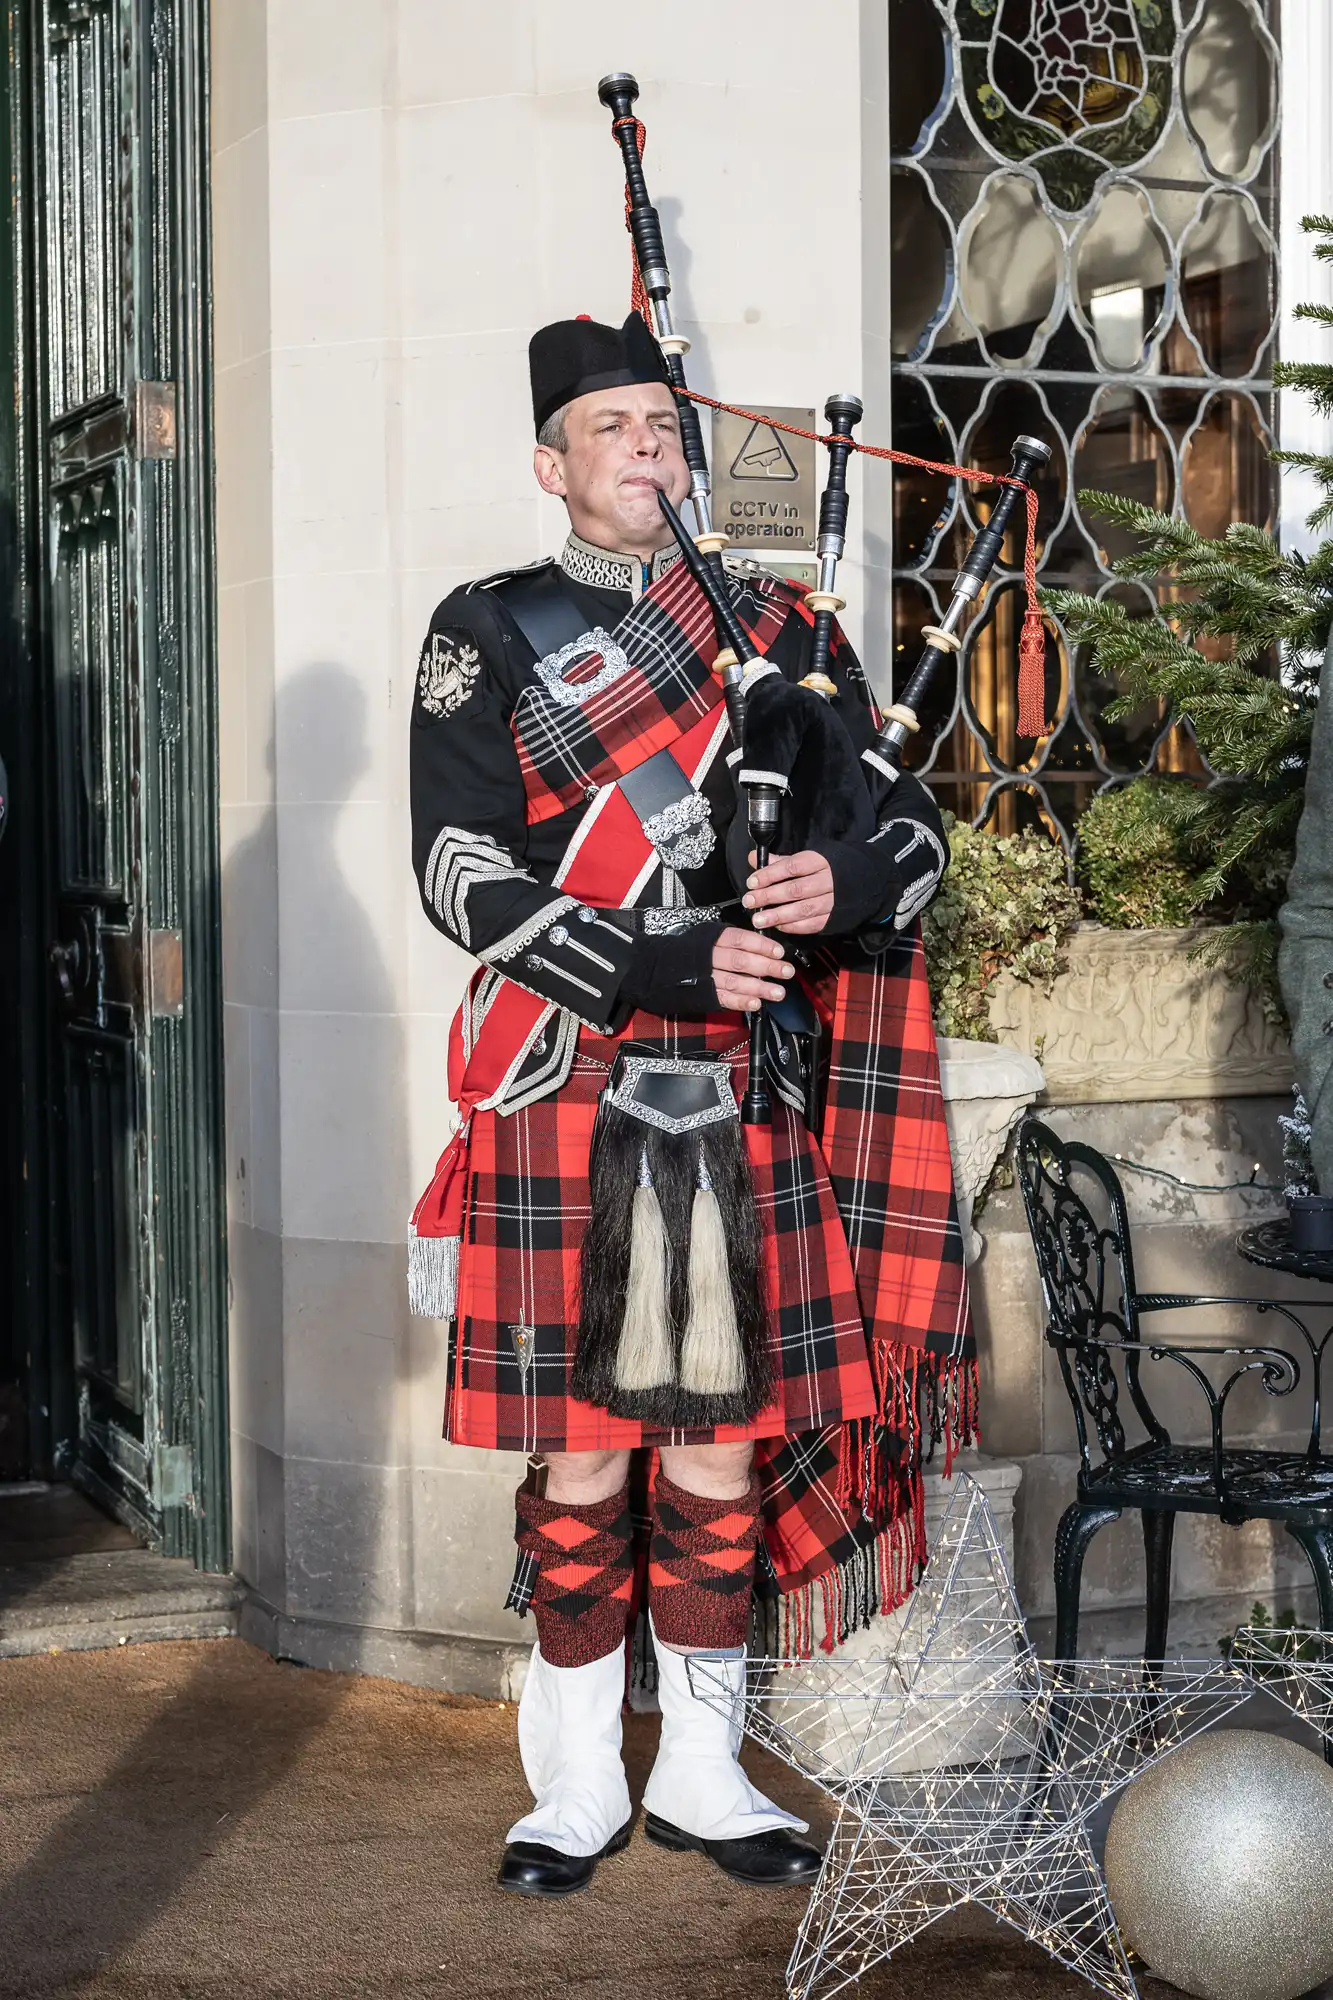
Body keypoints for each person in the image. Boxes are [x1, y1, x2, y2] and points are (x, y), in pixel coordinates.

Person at [408, 313, 969, 1898]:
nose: (651, 450)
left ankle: (708, 1772)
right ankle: (577, 1781)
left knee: (716, 1449)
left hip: (742, 1089)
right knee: (587, 1457)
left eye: (666, 425)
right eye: (615, 431)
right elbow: (459, 868)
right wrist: (663, 962)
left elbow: (911, 826)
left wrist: (835, 876)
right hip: (575, 1078)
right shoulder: (490, 630)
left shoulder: (783, 630)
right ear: (553, 465)